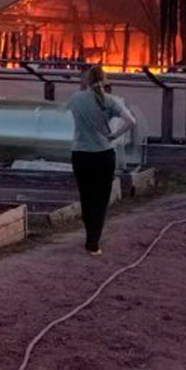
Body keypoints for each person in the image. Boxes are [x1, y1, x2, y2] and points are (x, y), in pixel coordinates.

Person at [67, 65, 136, 256]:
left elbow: (67, 112)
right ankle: (93, 242)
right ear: (105, 80)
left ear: (86, 79)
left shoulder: (75, 99)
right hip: (103, 154)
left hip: (80, 153)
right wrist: (113, 136)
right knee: (100, 199)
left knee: (86, 196)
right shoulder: (110, 100)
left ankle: (90, 234)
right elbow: (131, 121)